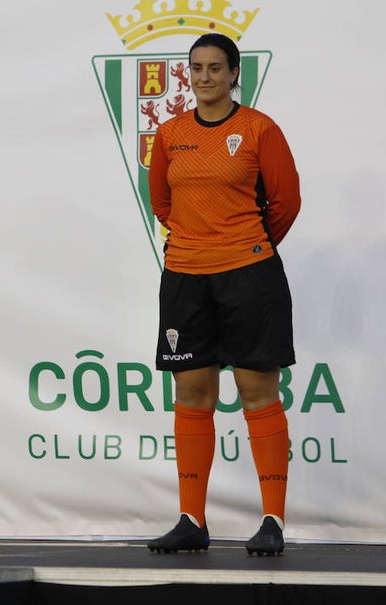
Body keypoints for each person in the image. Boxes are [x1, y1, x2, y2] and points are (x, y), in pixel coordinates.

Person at [145, 32, 301, 556]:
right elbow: (162, 202)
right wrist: (199, 242)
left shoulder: (259, 129)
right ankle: (191, 519)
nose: (205, 77)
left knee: (257, 391)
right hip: (185, 275)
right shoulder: (170, 133)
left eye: (216, 68)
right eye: (197, 68)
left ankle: (273, 521)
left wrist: (243, 245)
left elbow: (285, 202)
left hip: (248, 275)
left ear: (235, 74)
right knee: (192, 393)